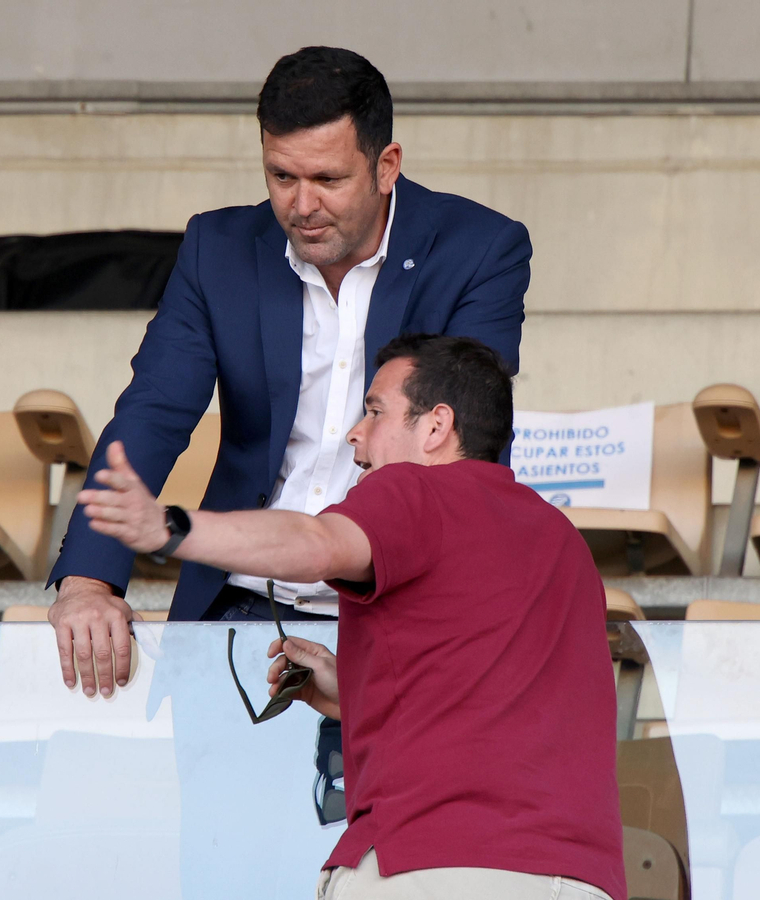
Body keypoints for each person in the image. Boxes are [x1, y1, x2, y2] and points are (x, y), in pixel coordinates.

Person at [47, 45, 532, 698]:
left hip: (399, 611)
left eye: (328, 180)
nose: (301, 205)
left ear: (386, 166)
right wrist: (89, 581)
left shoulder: (479, 248)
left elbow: (460, 443)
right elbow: (154, 412)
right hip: (239, 608)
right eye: (281, 177)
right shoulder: (217, 249)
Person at [80, 334, 627, 900]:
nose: (354, 435)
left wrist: (168, 528)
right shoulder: (563, 540)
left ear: (436, 426)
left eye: (374, 412)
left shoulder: (413, 488)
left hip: (433, 867)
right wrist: (358, 693)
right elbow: (491, 698)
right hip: (579, 877)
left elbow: (318, 541)